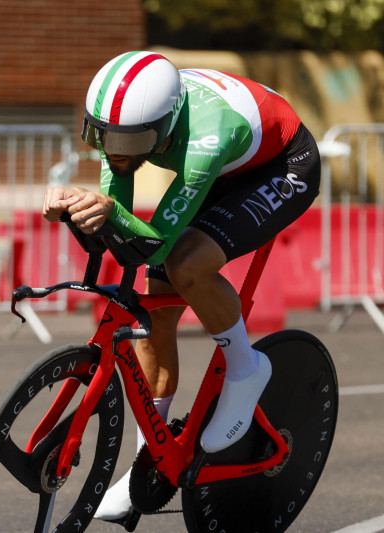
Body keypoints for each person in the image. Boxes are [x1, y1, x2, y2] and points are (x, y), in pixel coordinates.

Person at [42, 51, 321, 521]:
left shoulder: (207, 137)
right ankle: (146, 464)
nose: (115, 148)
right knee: (154, 304)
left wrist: (110, 213)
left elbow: (154, 244)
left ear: (165, 125)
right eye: (101, 135)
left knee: (186, 263)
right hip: (225, 166)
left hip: (283, 165)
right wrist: (84, 208)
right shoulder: (127, 123)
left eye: (131, 139)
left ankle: (245, 368)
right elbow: (118, 211)